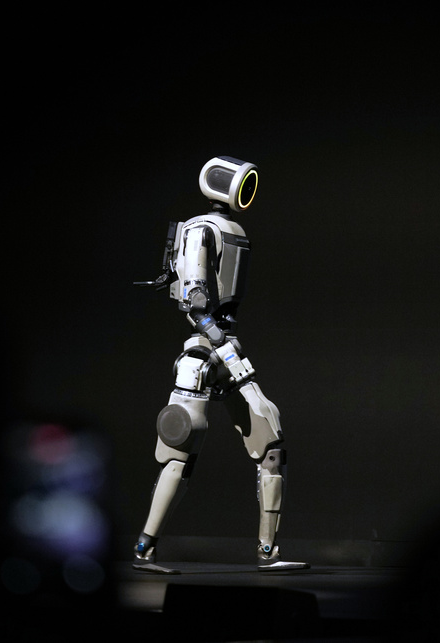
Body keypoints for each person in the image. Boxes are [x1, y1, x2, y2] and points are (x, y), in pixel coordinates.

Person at [131, 156, 308, 574]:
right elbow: (194, 295)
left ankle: (268, 552)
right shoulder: (200, 228)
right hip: (204, 351)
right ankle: (144, 548)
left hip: (224, 346)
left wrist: (225, 345)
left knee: (269, 439)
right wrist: (218, 343)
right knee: (179, 448)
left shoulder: (229, 230)